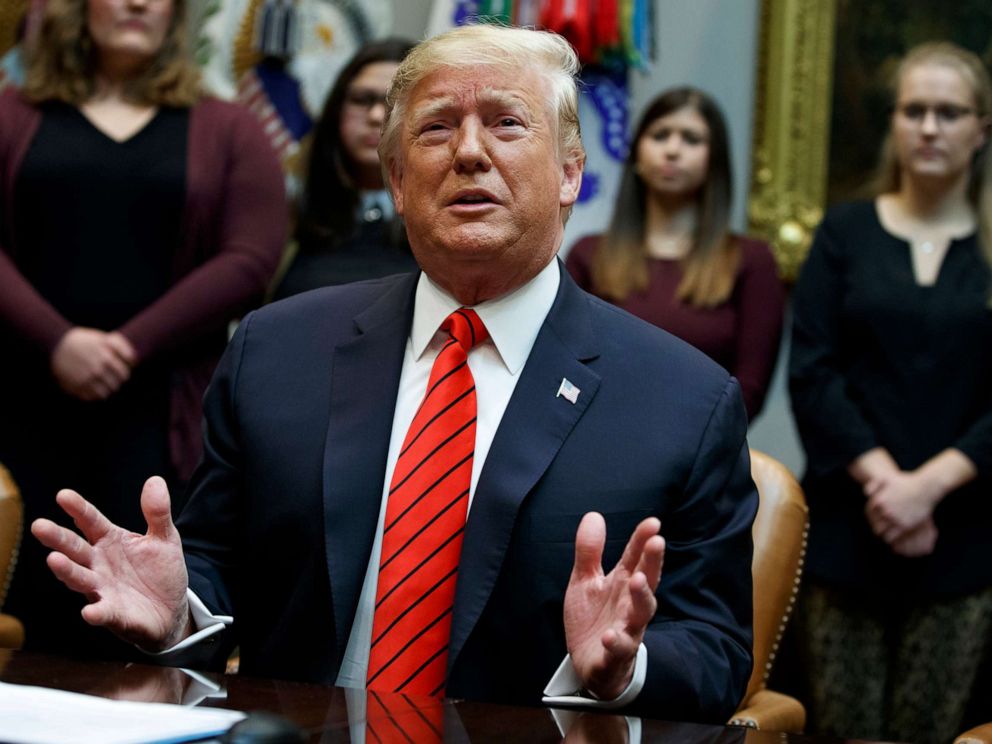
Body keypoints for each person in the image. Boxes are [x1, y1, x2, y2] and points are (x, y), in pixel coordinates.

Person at [32, 25, 756, 722]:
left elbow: (716, 651)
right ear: (400, 182)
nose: (469, 151)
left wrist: (625, 669)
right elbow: (222, 569)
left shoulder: (683, 403)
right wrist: (178, 614)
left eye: (506, 124)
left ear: (571, 173)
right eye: (437, 129)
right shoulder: (277, 352)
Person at [0, 0, 285, 657]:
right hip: (23, 410)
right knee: (21, 613)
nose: (136, 3)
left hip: (163, 421)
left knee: (135, 620)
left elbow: (251, 259)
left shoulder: (230, 128)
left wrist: (127, 346)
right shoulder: (14, 114)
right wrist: (57, 342)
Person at [789, 41, 992, 744]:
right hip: (851, 525)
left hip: (966, 537)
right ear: (894, 124)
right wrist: (888, 486)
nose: (929, 127)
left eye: (949, 112)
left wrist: (928, 488)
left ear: (982, 128)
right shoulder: (845, 232)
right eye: (914, 111)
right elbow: (812, 373)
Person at [566, 87, 783, 420]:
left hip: (703, 455)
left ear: (715, 160)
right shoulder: (588, 254)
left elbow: (748, 391)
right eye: (660, 135)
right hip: (599, 439)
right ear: (637, 152)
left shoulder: (752, 261)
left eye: (692, 139)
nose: (672, 150)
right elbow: (565, 368)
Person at [271, 38, 418, 300]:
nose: (375, 116)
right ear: (337, 109)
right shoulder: (288, 212)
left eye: (394, 104)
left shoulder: (446, 226)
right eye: (362, 99)